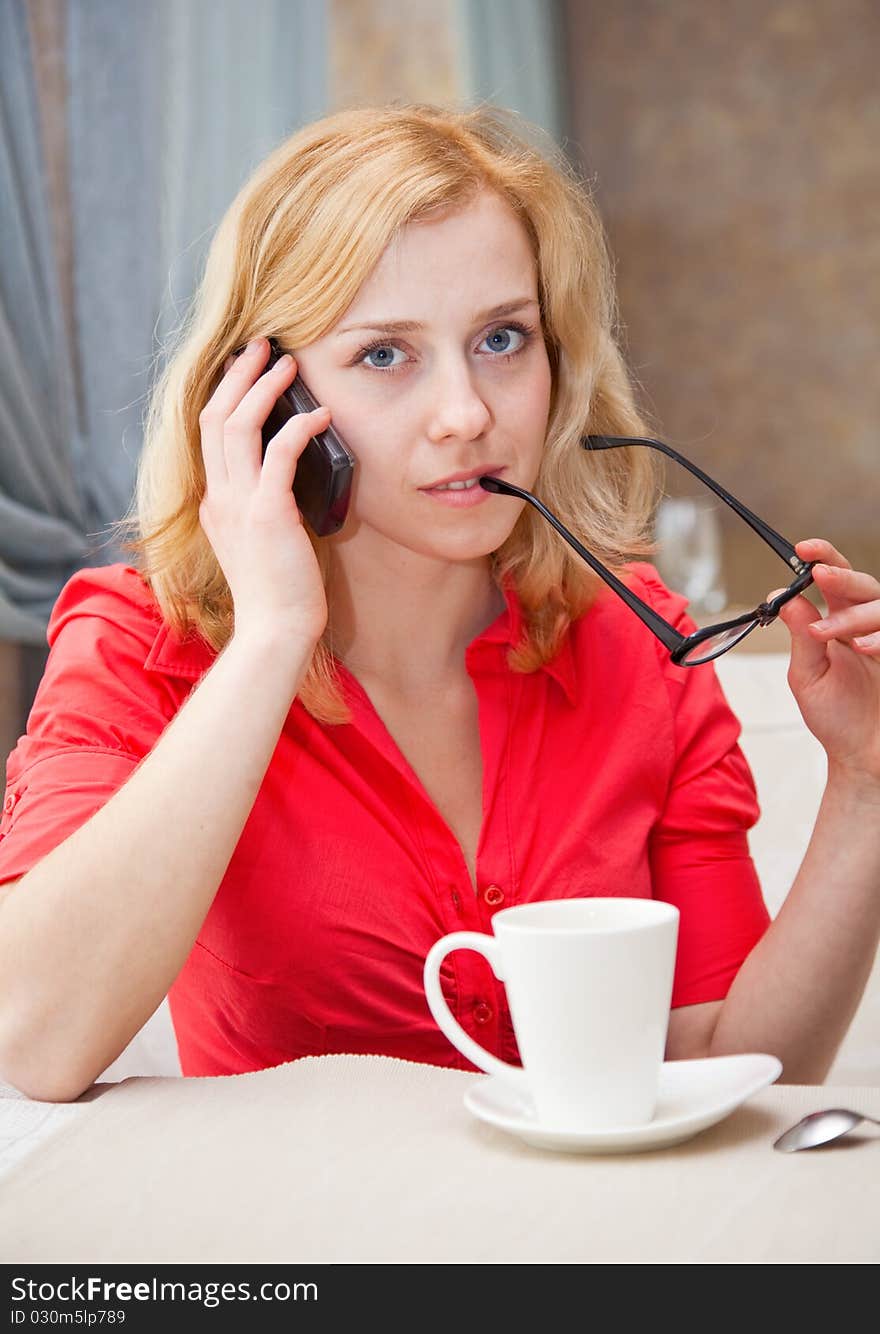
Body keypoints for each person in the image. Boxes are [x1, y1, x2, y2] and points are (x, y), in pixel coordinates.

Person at [0, 103, 878, 1104]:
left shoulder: (641, 645)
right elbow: (37, 1035)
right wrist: (274, 636)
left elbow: (737, 1067)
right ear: (269, 401)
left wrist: (864, 780)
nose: (467, 414)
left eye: (502, 338)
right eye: (386, 354)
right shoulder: (137, 644)